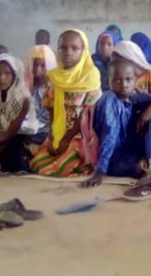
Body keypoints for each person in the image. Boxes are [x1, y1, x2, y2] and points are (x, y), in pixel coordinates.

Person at [29, 29, 102, 177]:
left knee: (61, 168)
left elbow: (86, 114)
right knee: (36, 163)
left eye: (75, 48)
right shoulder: (54, 77)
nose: (68, 52)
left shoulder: (90, 76)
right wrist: (52, 137)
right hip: (58, 131)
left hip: (80, 135)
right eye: (63, 48)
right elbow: (51, 110)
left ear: (84, 50)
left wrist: (66, 139)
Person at [82, 61, 151, 187]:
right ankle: (140, 167)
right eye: (117, 80)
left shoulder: (131, 98)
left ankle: (145, 164)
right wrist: (100, 172)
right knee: (134, 166)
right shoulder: (109, 99)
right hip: (110, 156)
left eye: (128, 79)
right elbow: (110, 135)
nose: (124, 85)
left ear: (135, 80)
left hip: (128, 151)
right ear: (108, 82)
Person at [24, 44, 58, 146]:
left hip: (44, 132)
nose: (38, 69)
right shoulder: (24, 83)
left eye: (43, 65)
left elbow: (48, 118)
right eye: (35, 64)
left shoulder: (52, 88)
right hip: (24, 128)